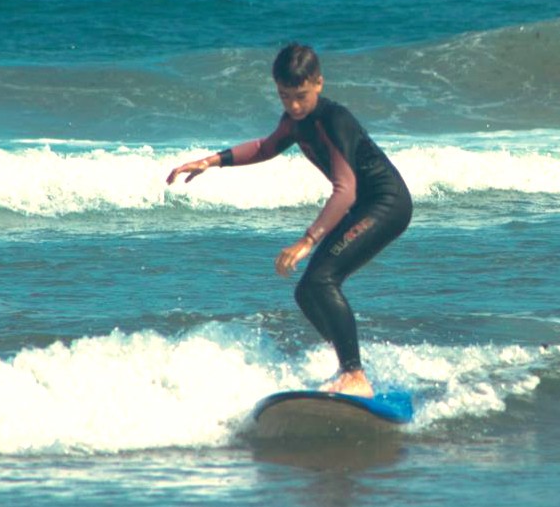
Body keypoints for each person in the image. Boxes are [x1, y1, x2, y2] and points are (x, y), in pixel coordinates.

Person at [166, 43, 412, 396]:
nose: (294, 106)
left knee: (323, 280)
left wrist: (308, 240)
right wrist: (211, 161)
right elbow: (266, 147)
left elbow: (345, 189)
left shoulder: (334, 120)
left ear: (318, 83)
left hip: (387, 203)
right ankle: (349, 366)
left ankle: (355, 374)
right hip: (363, 205)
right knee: (307, 291)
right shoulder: (295, 122)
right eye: (284, 96)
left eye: (300, 95)